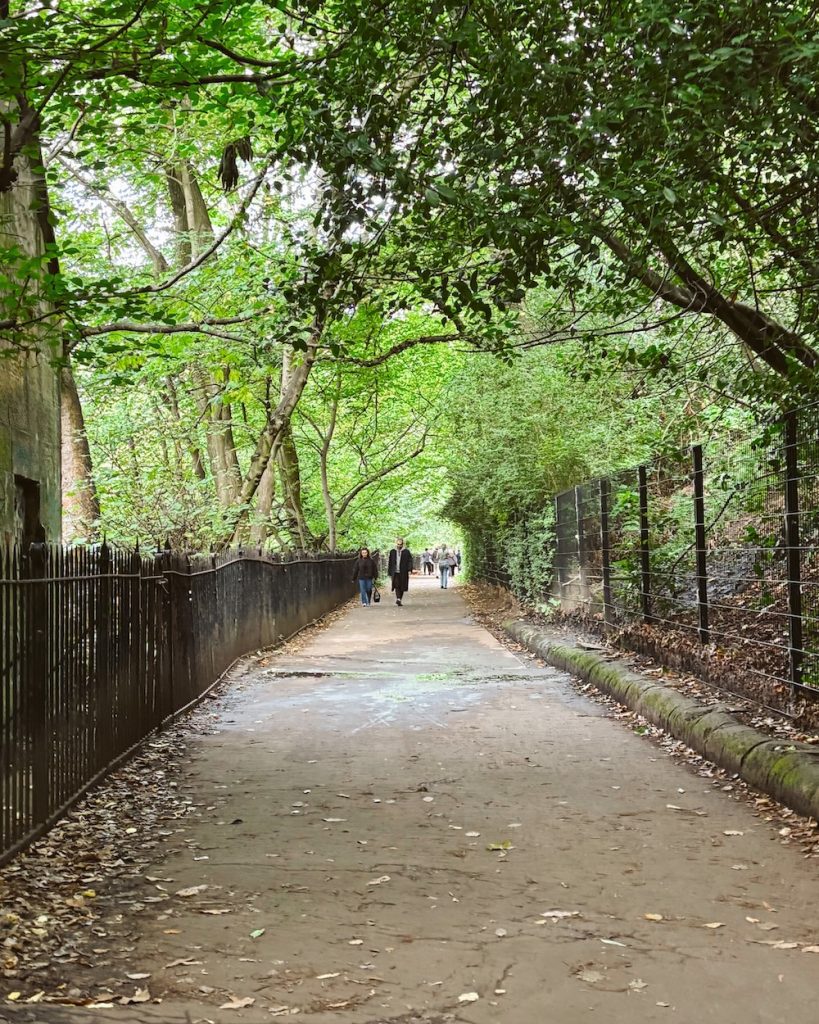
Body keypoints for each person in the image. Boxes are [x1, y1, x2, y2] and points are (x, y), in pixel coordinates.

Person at [387, 537, 412, 606]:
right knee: (397, 585)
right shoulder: (392, 551)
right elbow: (390, 562)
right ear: (396, 544)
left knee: (402, 586)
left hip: (403, 572)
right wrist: (389, 572)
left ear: (403, 544)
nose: (399, 546)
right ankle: (398, 598)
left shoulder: (406, 551)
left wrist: (409, 569)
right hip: (395, 572)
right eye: (398, 544)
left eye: (400, 544)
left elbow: (410, 561)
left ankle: (399, 599)